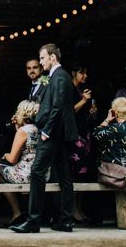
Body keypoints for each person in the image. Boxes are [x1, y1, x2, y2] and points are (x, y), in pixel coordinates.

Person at [11, 44, 78, 234]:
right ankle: (65, 221)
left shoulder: (60, 76)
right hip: (58, 134)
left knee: (37, 172)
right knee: (64, 177)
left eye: (42, 58)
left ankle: (33, 221)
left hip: (53, 134)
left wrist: (46, 131)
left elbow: (57, 107)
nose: (40, 62)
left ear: (53, 58)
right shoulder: (53, 77)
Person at [0, 100, 40, 226]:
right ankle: (23, 211)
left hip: (26, 174)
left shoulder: (23, 131)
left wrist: (6, 155)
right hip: (41, 174)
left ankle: (16, 212)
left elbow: (12, 159)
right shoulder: (40, 128)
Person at [70, 62, 97, 221]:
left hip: (84, 135)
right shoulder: (70, 90)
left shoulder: (81, 91)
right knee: (76, 172)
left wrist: (92, 111)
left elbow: (83, 114)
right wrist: (83, 101)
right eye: (82, 73)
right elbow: (69, 111)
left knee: (83, 173)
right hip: (75, 137)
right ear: (74, 73)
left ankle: (78, 208)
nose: (85, 76)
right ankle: (73, 209)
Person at [93, 97, 126, 167]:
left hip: (114, 173)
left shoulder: (113, 129)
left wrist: (107, 120)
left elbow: (96, 135)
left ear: (114, 113)